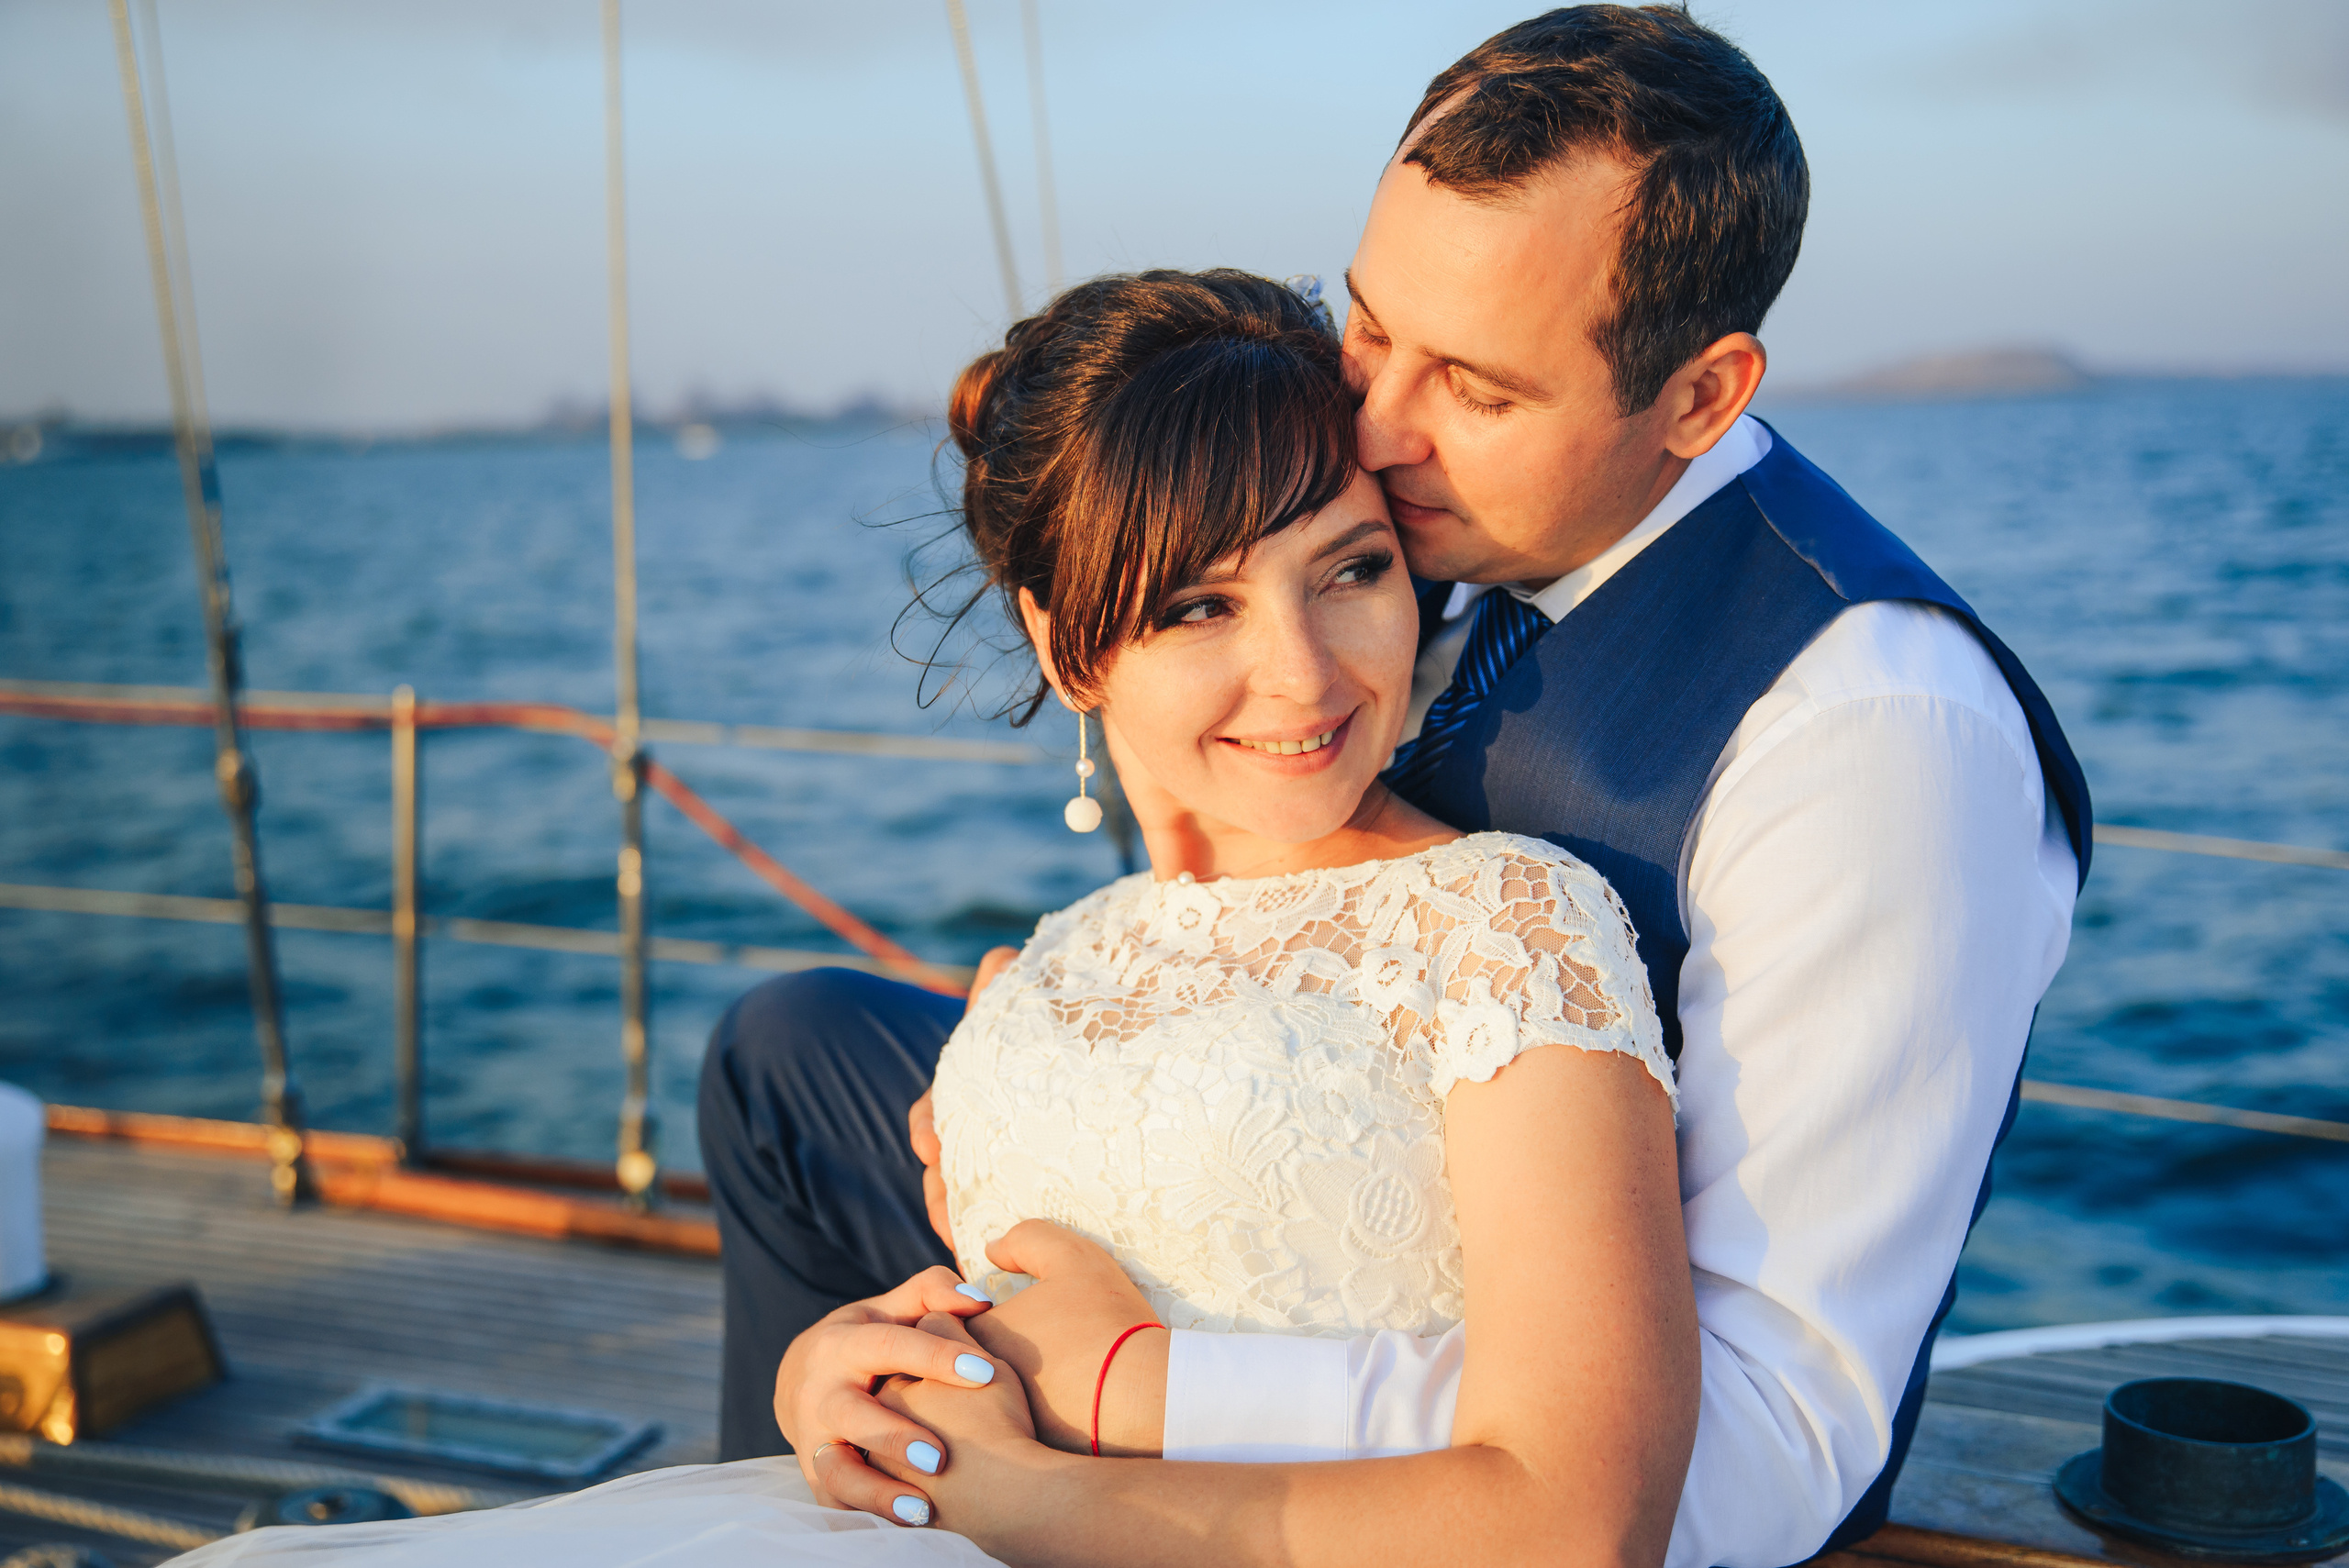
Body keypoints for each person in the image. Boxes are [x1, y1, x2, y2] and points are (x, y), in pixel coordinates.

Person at [711, 7, 2090, 1568]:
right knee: (793, 1047)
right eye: (1371, 327)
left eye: (1475, 386)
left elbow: (1769, 1445)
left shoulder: (1871, 735)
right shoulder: (1437, 518)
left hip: (1509, 1407)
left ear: (1698, 400)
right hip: (1297, 1149)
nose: (1368, 425)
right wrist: (1063, 1072)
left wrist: (1143, 1386)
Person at [173, 268, 1697, 1568]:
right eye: (1198, 607)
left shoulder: (1506, 925)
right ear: (1067, 638)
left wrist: (1027, 1486)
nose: (1305, 675)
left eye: (1350, 570)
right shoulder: (1064, 959)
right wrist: (839, 1373)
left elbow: (1576, 1517)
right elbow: (983, 1325)